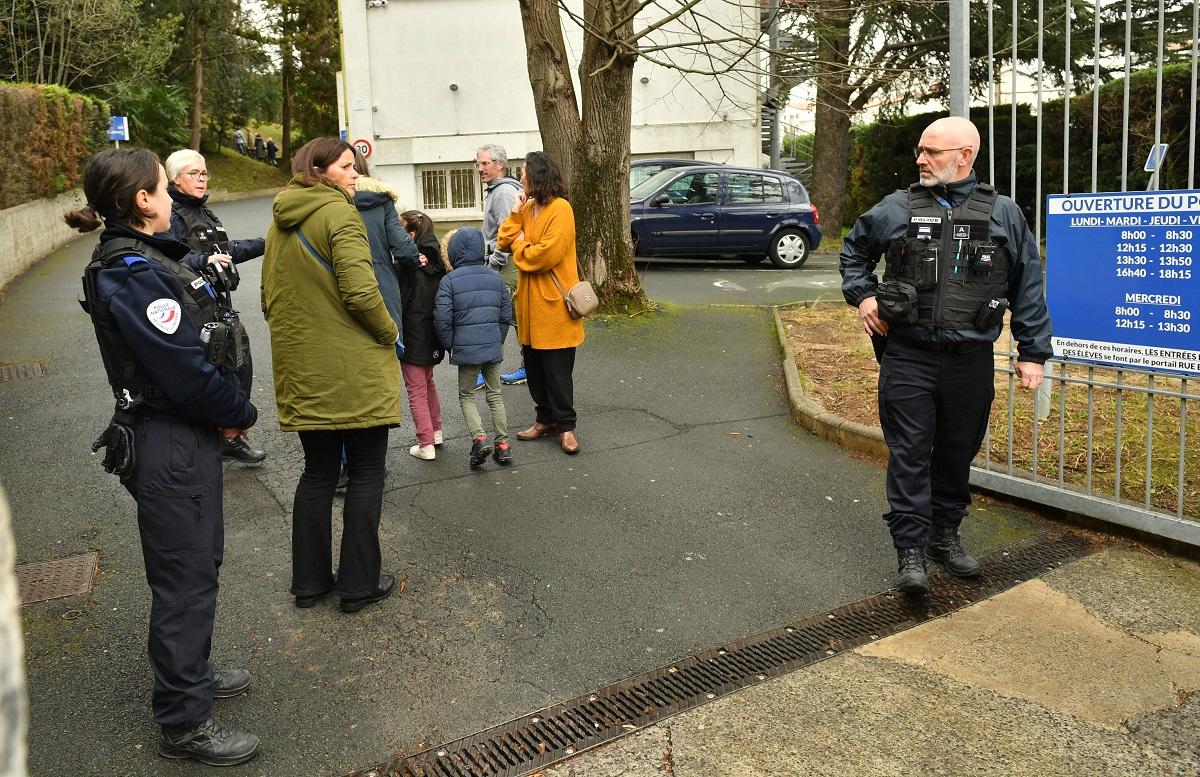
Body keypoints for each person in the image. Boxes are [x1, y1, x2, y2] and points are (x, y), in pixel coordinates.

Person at [66, 147, 260, 766]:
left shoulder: (149, 257)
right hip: (168, 434)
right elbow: (181, 370)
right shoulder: (129, 270)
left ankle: (192, 677)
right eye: (163, 189)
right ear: (142, 201)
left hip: (183, 433)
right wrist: (239, 413)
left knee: (200, 561)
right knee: (183, 577)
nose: (174, 199)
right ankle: (183, 722)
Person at [839, 116, 1052, 595]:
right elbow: (854, 253)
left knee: (957, 452)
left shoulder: (1003, 214)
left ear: (965, 155)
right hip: (908, 356)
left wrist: (1033, 352)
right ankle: (910, 550)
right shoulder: (897, 208)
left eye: (930, 152)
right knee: (910, 453)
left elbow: (1028, 284)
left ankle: (944, 534)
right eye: (920, 150)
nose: (920, 159)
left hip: (969, 360)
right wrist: (864, 296)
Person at [261, 137, 400, 614]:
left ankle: (310, 582)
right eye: (345, 166)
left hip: (304, 370)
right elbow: (362, 295)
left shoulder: (279, 222)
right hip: (353, 370)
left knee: (317, 474)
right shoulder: (341, 215)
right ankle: (359, 584)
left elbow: (268, 299)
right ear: (319, 171)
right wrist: (388, 332)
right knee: (366, 473)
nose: (354, 174)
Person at [163, 148, 267, 465]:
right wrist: (203, 260)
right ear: (174, 179)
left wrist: (268, 242)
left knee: (239, 365)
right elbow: (168, 256)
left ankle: (227, 435)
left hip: (218, 304)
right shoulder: (172, 213)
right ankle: (220, 439)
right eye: (194, 173)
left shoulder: (201, 211)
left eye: (204, 173)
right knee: (221, 372)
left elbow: (225, 250)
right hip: (194, 308)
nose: (202, 178)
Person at [497, 151, 585, 455]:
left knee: (558, 372)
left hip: (555, 307)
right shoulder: (528, 206)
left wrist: (522, 244)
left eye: (523, 172)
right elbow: (502, 240)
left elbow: (544, 256)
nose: (520, 177)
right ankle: (544, 419)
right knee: (534, 369)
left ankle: (567, 427)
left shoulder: (561, 209)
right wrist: (516, 212)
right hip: (529, 306)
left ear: (538, 175)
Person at [434, 228, 513, 468]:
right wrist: (496, 340)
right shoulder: (495, 278)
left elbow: (442, 319)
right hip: (492, 345)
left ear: (454, 252)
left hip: (466, 349)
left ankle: (479, 438)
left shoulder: (449, 281)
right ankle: (503, 445)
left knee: (466, 395)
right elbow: (505, 314)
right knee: (495, 394)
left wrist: (452, 345)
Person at [398, 210, 449, 460]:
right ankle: (436, 431)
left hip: (412, 333)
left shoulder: (407, 265)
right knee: (427, 382)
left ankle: (425, 443)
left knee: (416, 388)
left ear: (411, 234)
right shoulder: (439, 261)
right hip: (433, 334)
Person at [476, 144, 526, 385]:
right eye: (478, 163)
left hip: (506, 266)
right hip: (504, 265)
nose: (479, 168)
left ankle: (489, 372)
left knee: (502, 318)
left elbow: (509, 233)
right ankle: (525, 368)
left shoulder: (504, 192)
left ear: (500, 165)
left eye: (485, 163)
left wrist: (493, 263)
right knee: (510, 317)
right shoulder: (497, 190)